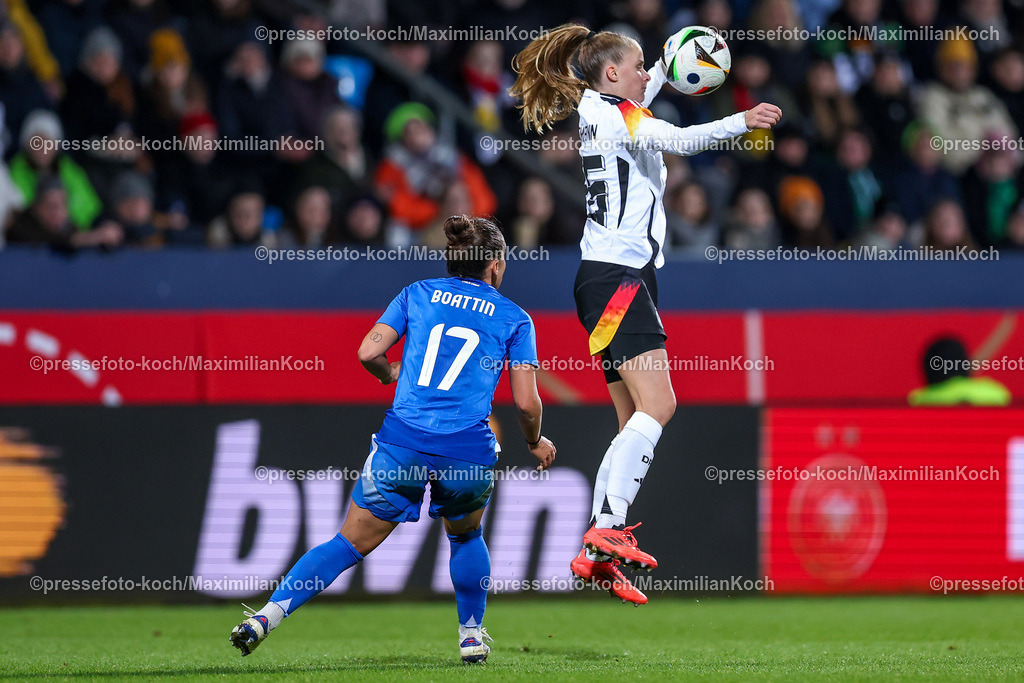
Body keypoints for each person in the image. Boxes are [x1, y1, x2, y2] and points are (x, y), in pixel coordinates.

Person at [509, 24, 781, 605]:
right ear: (612, 74)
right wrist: (742, 120)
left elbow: (649, 83)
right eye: (635, 68)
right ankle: (607, 530)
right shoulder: (618, 114)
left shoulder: (600, 107)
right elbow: (680, 141)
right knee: (660, 405)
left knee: (632, 416)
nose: (645, 76)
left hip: (603, 280)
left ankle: (597, 549)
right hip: (619, 279)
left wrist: (665, 60)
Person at [229, 215, 556, 664]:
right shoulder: (515, 318)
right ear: (495, 265)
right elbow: (526, 404)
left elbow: (368, 351)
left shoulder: (416, 293)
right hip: (465, 451)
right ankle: (470, 636)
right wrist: (535, 441)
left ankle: (266, 617)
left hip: (402, 444)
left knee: (347, 543)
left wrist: (389, 374)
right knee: (465, 537)